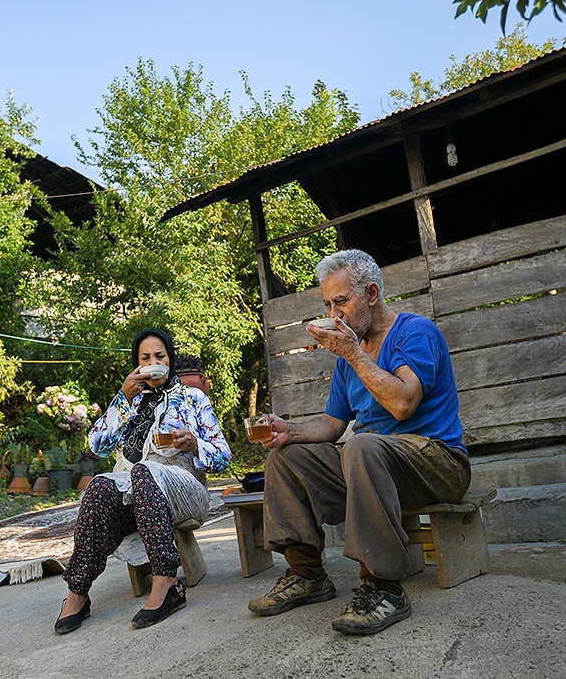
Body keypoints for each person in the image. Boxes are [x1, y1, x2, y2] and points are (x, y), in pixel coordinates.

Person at [247, 249, 470, 635]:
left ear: (371, 294)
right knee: (286, 456)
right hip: (373, 466)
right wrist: (289, 431)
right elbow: (333, 423)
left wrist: (353, 354)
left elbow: (403, 402)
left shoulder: (414, 332)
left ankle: (384, 588)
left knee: (362, 445)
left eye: (341, 301)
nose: (334, 314)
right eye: (327, 305)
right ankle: (307, 574)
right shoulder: (349, 356)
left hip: (438, 463)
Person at [54, 328, 231, 634]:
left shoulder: (193, 398)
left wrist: (195, 445)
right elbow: (97, 446)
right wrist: (123, 398)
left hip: (183, 488)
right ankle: (77, 591)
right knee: (99, 487)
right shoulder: (130, 403)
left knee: (144, 471)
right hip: (137, 493)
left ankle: (167, 583)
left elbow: (223, 456)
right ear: (137, 365)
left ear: (170, 359)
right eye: (145, 358)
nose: (153, 363)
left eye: (159, 356)